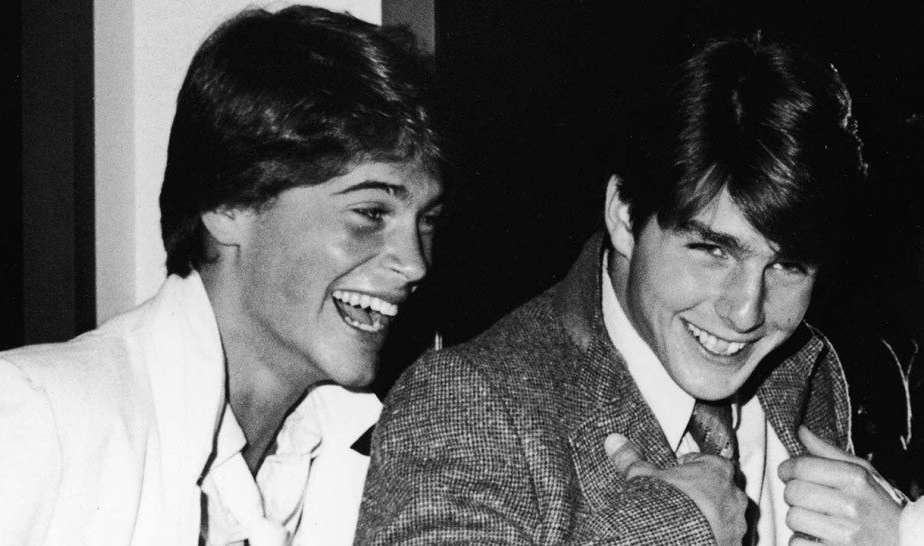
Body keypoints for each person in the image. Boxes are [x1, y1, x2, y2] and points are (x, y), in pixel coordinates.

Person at [0, 5, 441, 545]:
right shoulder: (35, 417)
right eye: (371, 213)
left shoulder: (377, 457)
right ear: (230, 203)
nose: (415, 263)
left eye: (427, 220)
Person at [356, 35, 863, 544]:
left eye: (788, 266)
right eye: (712, 250)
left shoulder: (806, 371)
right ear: (623, 215)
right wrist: (673, 531)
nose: (747, 312)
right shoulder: (468, 402)